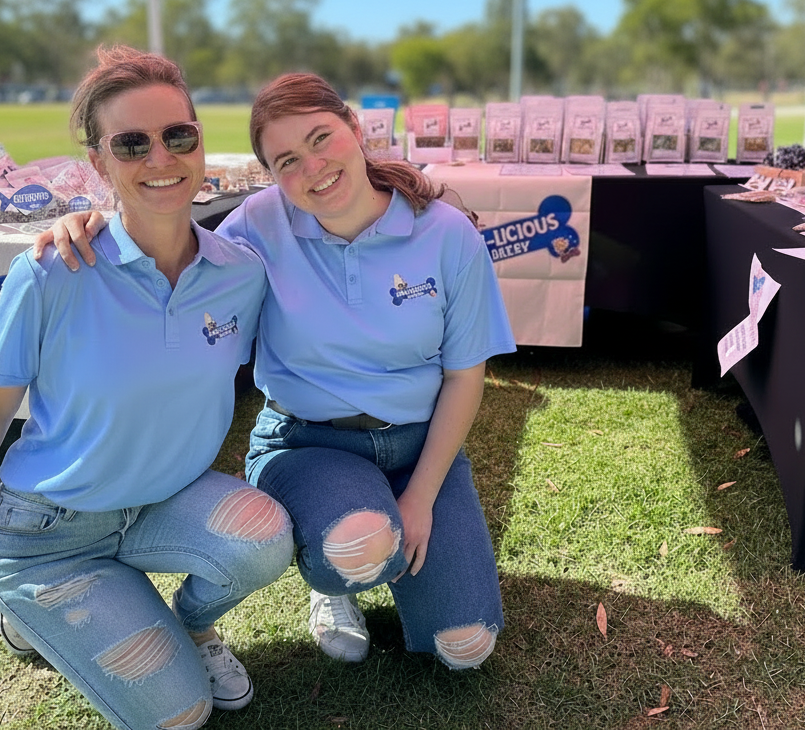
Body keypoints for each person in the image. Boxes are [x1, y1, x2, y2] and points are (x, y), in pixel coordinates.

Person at [40, 72, 515, 671]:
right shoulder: (257, 226)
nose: (313, 167)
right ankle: (335, 579)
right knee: (358, 547)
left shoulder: (446, 233)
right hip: (309, 443)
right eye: (287, 160)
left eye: (321, 138)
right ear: (269, 174)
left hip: (418, 447)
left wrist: (420, 498)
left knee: (466, 647)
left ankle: (383, 545)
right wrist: (93, 225)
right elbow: (171, 250)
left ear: (353, 127)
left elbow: (465, 376)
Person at [0, 45, 294, 730]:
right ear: (99, 164)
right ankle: (28, 615)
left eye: (177, 136)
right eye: (131, 144)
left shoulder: (242, 273)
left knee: (266, 539)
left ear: (199, 143)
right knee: (182, 715)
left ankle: (189, 627)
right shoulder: (51, 271)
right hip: (51, 533)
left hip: (164, 501)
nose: (160, 158)